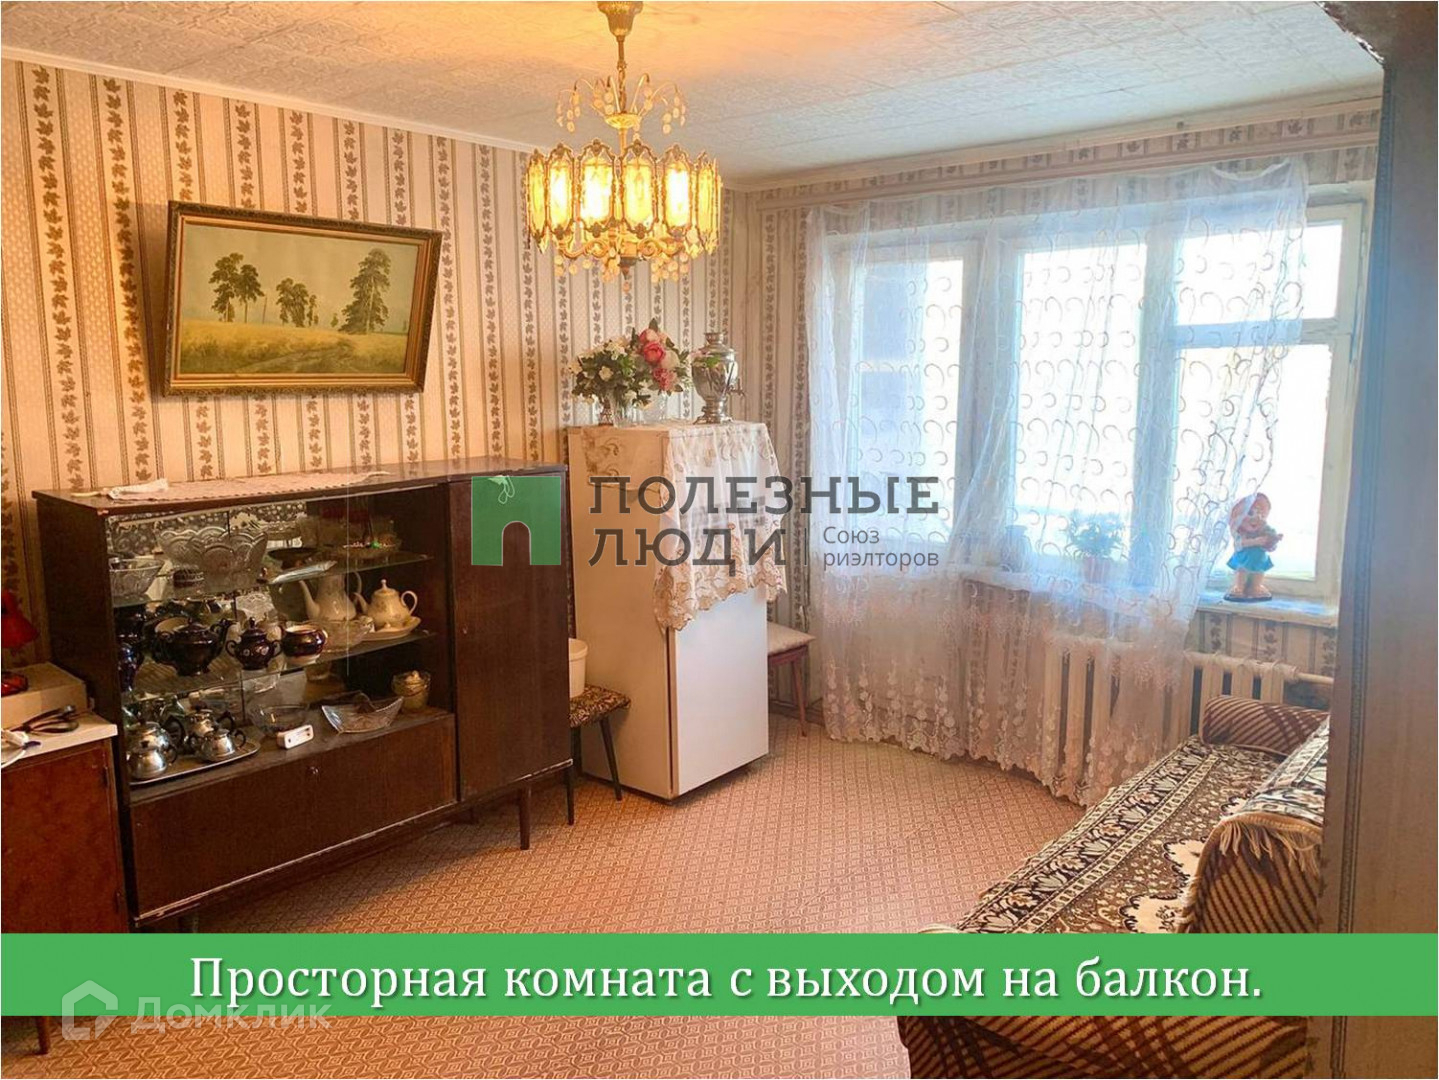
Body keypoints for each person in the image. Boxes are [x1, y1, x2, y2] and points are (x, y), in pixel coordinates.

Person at [1224, 492, 1282, 602]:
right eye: (1250, 513)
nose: (1256, 518)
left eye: (1261, 515)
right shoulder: (1240, 532)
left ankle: (1255, 587)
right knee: (1242, 572)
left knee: (1259, 573)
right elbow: (1239, 544)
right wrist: (1255, 541)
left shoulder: (1265, 529)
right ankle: (1239, 587)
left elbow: (1270, 543)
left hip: (1259, 559)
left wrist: (1273, 540)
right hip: (1244, 558)